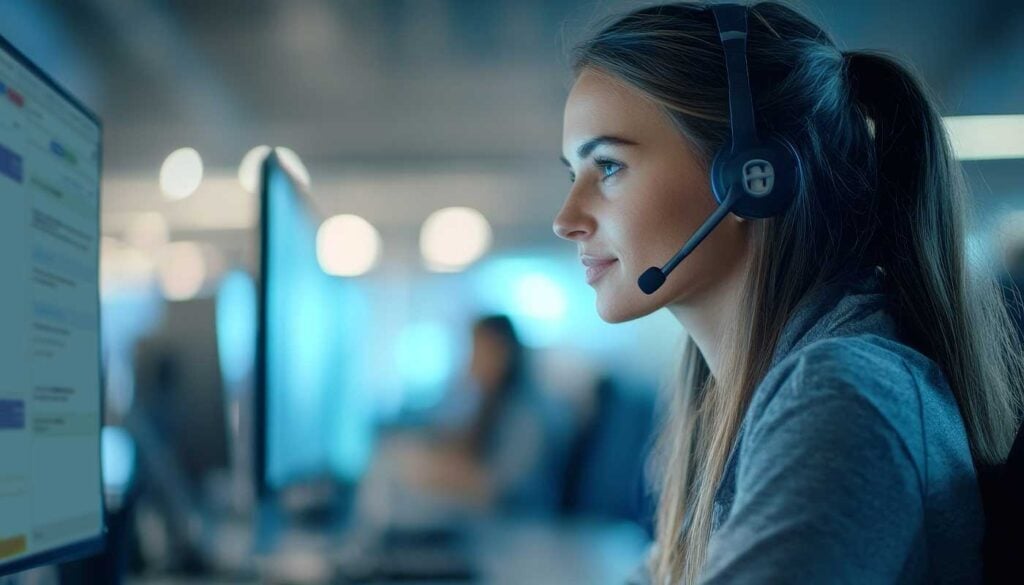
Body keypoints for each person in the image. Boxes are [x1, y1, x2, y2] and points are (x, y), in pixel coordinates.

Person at [553, 2, 1024, 583]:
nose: (566, 218)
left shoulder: (840, 395)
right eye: (572, 175)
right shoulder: (734, 400)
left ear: (751, 175)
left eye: (608, 167)